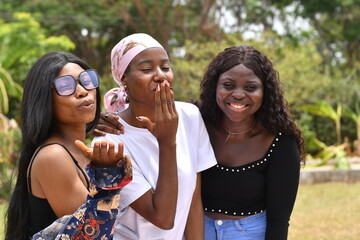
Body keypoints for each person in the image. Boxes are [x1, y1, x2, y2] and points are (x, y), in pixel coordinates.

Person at [92, 33, 217, 240]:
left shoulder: (189, 116)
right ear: (124, 78)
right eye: (147, 69)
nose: (160, 75)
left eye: (165, 67)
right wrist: (167, 141)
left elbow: (193, 201)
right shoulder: (111, 141)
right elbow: (162, 218)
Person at [5, 52, 132, 240]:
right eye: (65, 86)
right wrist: (107, 176)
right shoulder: (53, 156)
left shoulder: (79, 149)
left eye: (87, 80)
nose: (82, 91)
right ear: (44, 99)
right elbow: (93, 234)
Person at [199, 45, 306, 240]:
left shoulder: (281, 142)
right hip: (195, 230)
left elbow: (279, 221)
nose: (238, 94)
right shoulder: (196, 125)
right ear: (215, 86)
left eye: (250, 87)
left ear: (265, 92)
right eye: (228, 85)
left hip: (249, 234)